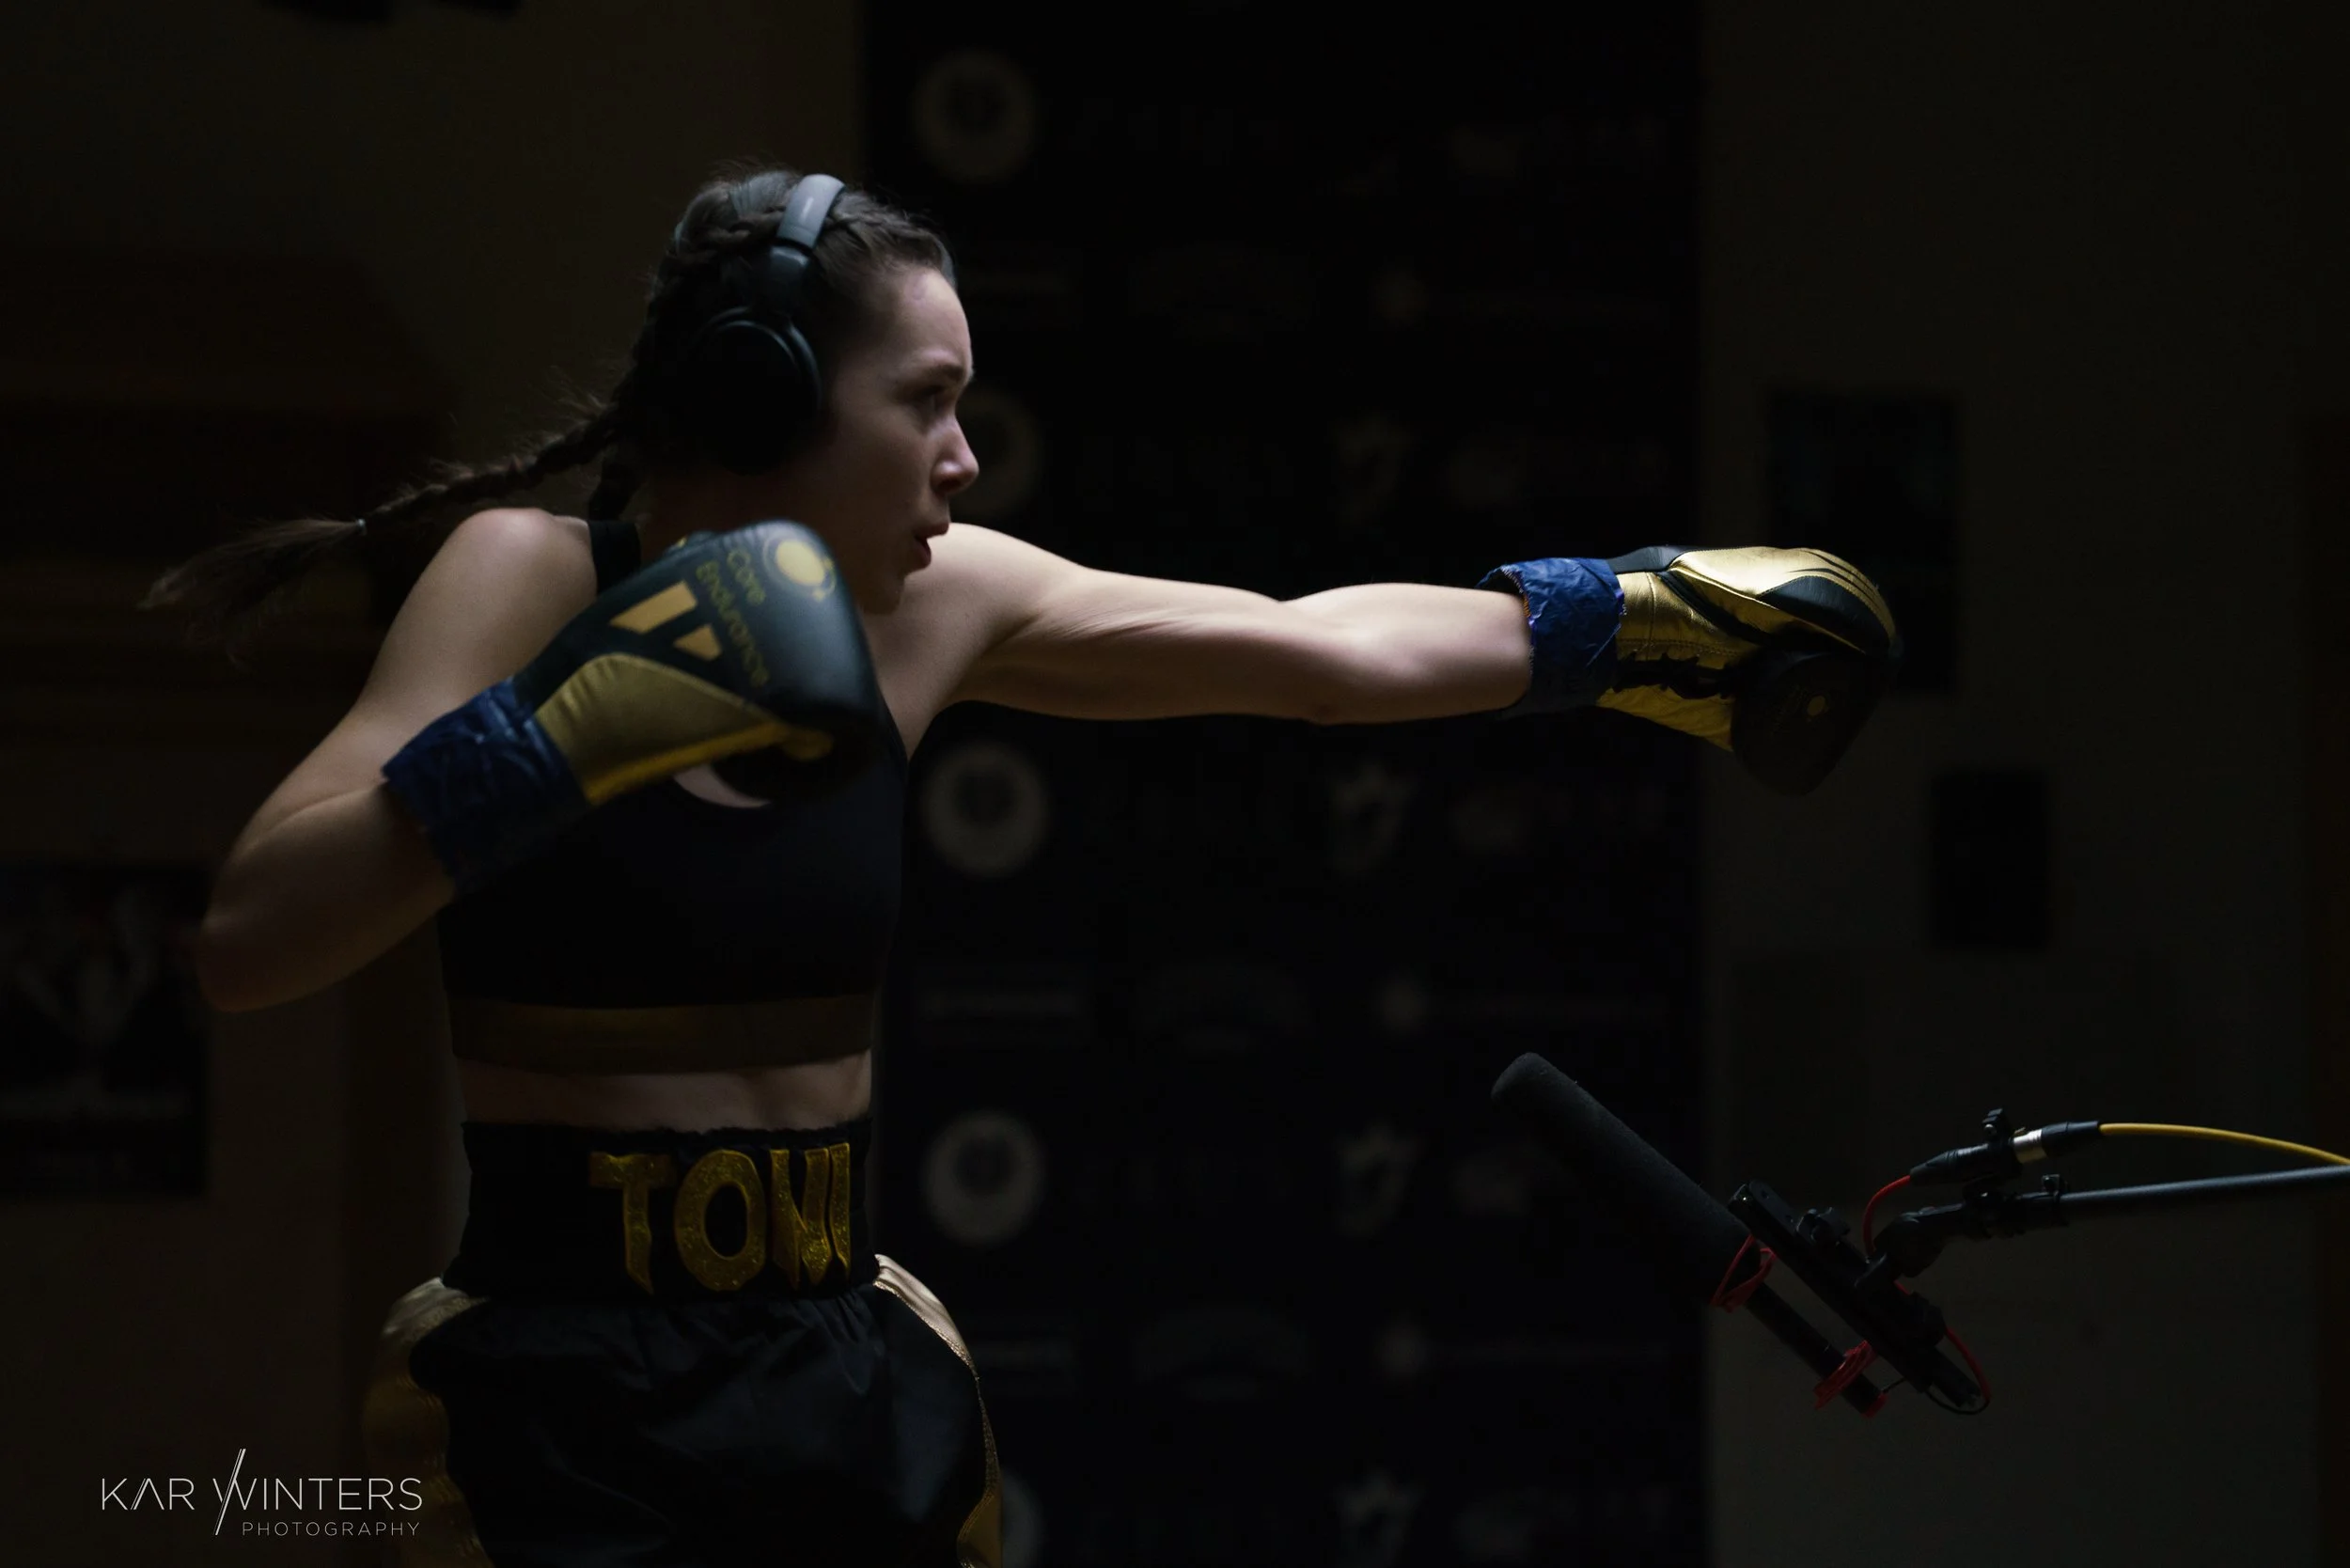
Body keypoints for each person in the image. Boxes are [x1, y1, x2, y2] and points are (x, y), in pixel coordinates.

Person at [152, 163, 1898, 1568]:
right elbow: (248, 939)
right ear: (763, 395)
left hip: (837, 1375)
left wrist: (1626, 623)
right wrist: (552, 740)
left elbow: (1311, 649)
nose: (965, 458)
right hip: (562, 1395)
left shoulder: (933, 604)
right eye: (927, 401)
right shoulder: (531, 581)